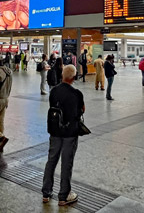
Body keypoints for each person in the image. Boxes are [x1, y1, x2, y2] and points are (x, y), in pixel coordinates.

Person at [42, 65, 84, 206]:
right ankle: (64, 196)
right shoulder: (76, 93)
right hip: (70, 133)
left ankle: (46, 193)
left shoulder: (54, 91)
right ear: (73, 77)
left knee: (51, 160)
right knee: (67, 163)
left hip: (55, 131)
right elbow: (82, 109)